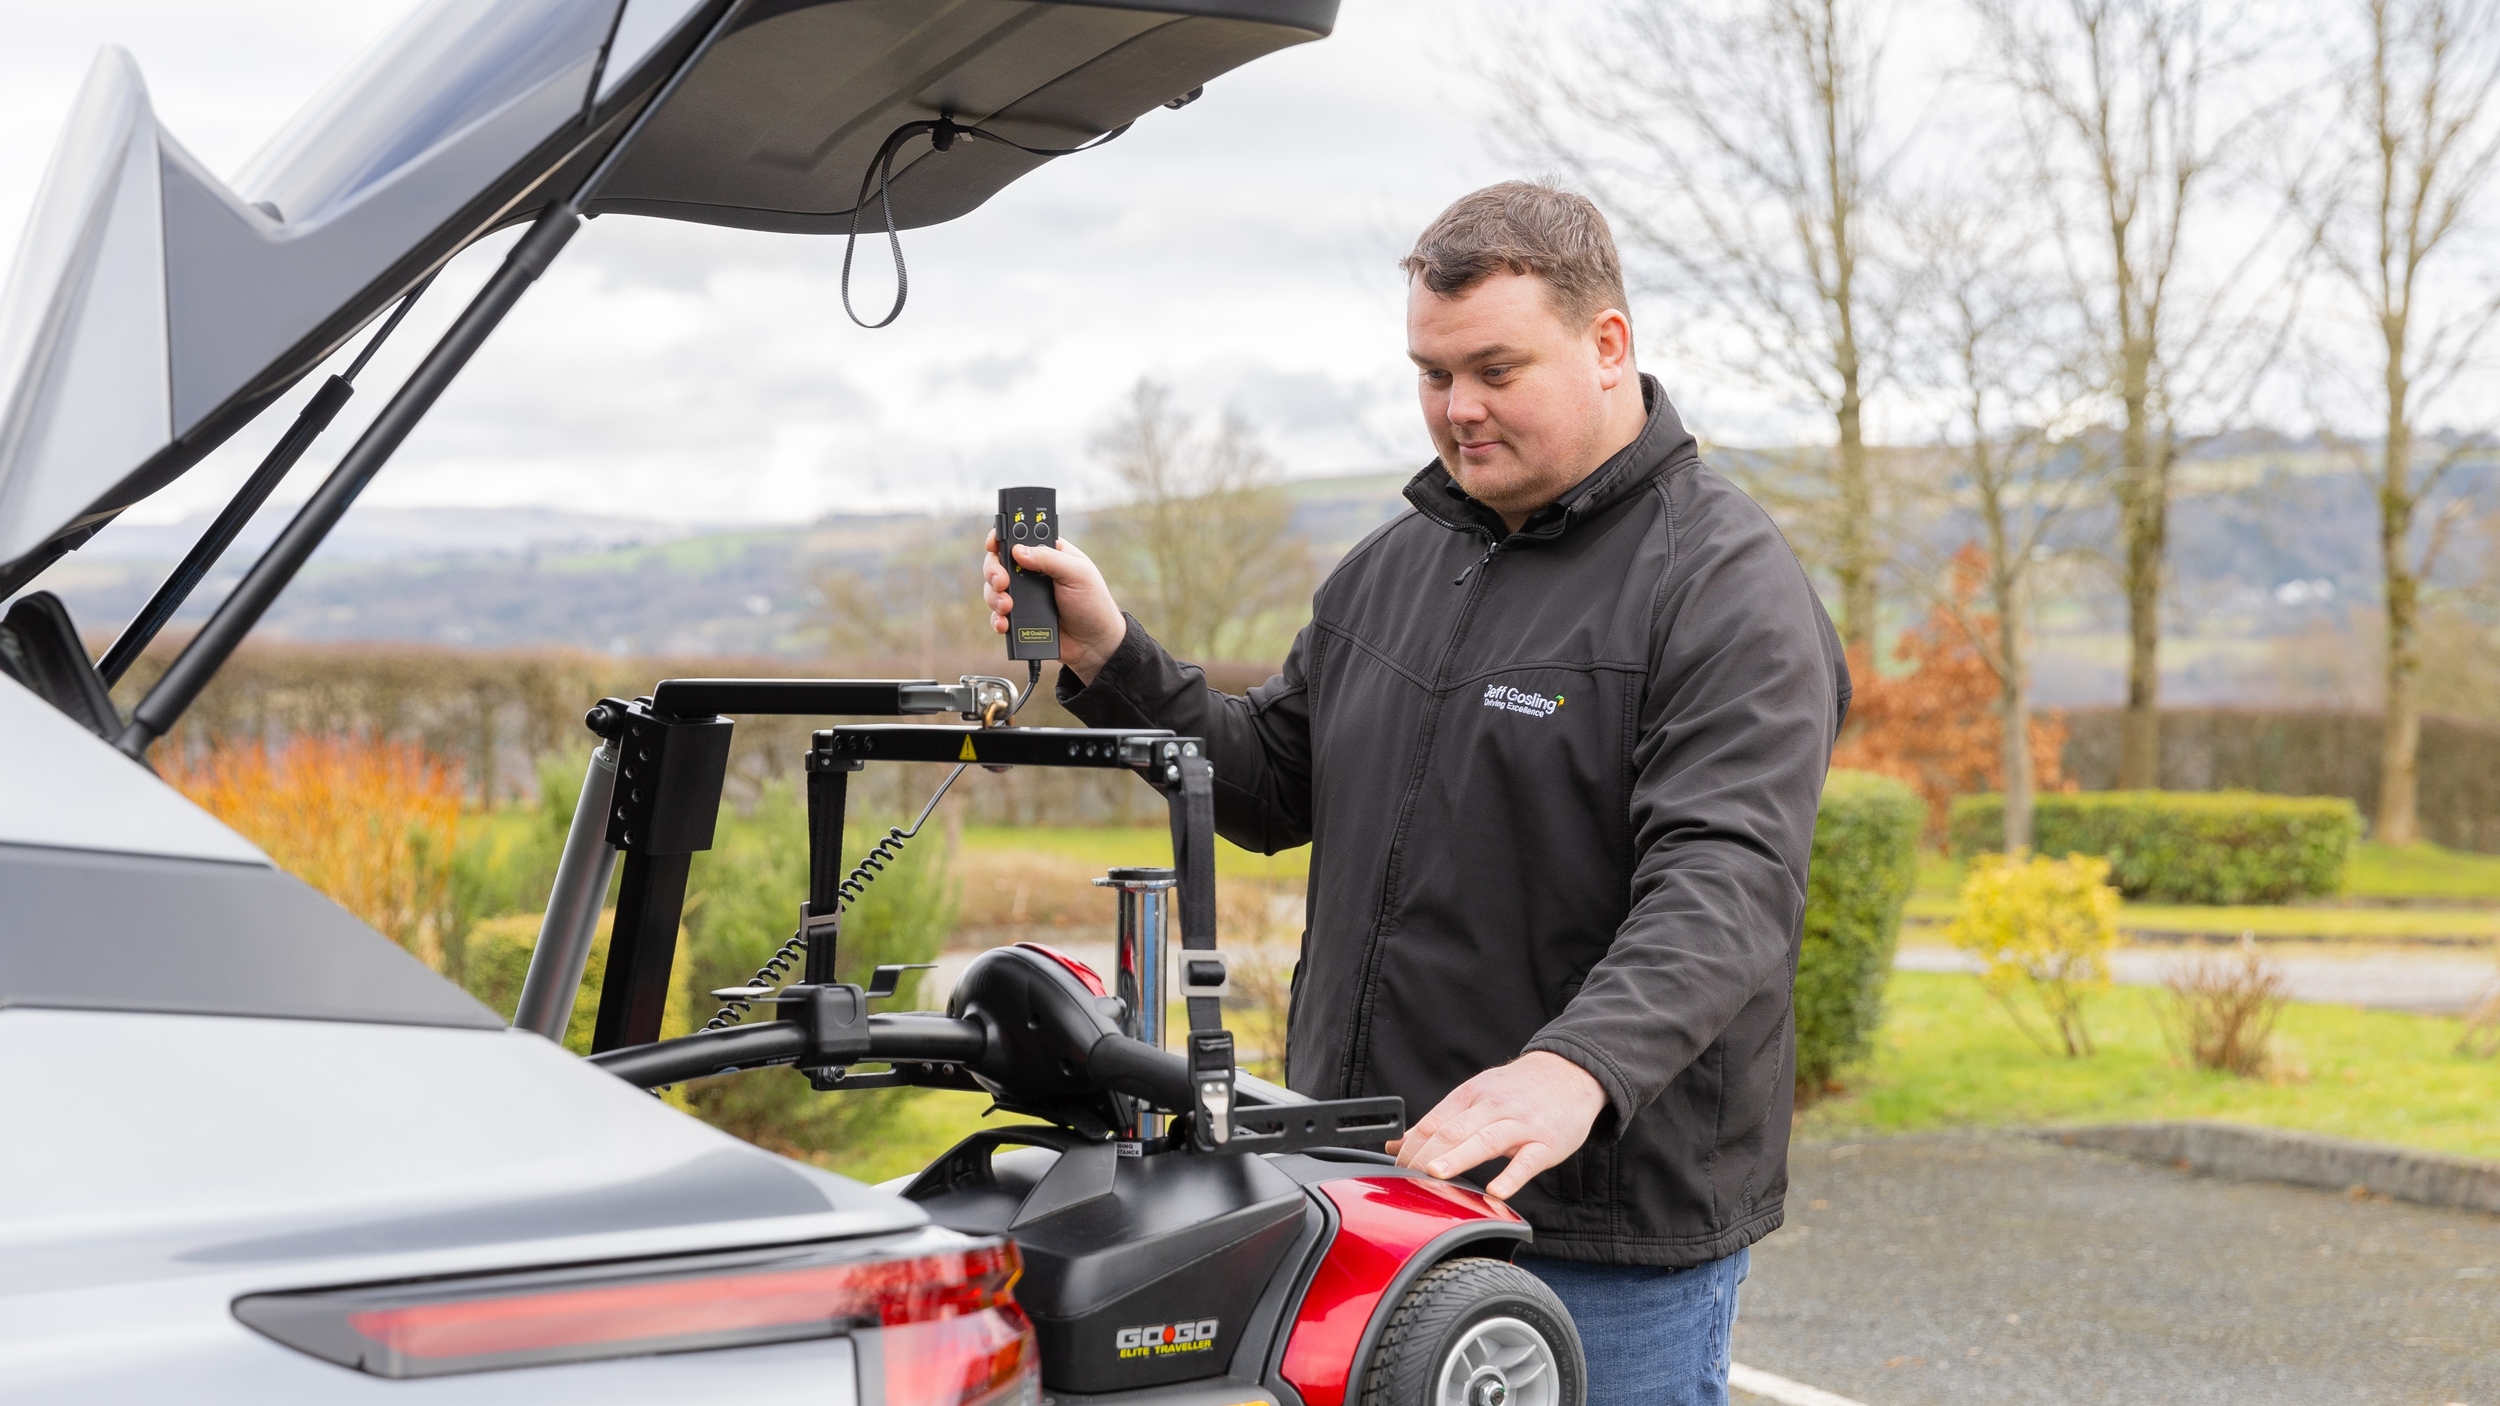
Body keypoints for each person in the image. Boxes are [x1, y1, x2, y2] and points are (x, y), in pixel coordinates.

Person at [981, 181, 1848, 1406]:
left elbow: (1730, 880)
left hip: (1591, 1221)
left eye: (1494, 368)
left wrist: (1577, 1067)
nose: (1457, 408)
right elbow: (1274, 781)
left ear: (1609, 346)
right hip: (1360, 1186)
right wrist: (1109, 658)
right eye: (1431, 374)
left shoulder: (1721, 585)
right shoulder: (1396, 565)